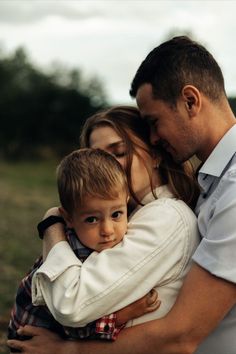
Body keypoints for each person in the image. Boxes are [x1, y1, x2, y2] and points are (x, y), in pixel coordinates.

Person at [7, 104, 200, 353]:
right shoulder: (126, 217)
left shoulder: (166, 216)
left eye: (118, 152)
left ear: (155, 155)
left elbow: (71, 303)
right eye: (98, 158)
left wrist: (51, 226)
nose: (107, 169)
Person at [8, 148, 160, 350]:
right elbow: (72, 322)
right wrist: (124, 314)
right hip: (32, 339)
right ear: (68, 218)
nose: (107, 230)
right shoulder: (74, 254)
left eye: (116, 214)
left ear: (126, 204)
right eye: (91, 219)